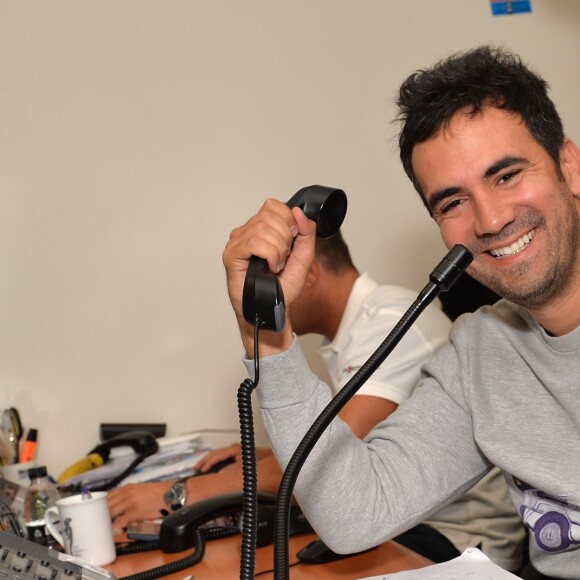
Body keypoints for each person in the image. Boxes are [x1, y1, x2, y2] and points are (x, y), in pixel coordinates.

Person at [221, 45, 580, 580]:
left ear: (569, 166)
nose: (489, 218)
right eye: (453, 202)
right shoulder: (482, 349)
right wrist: (267, 335)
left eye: (506, 175)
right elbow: (355, 512)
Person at [108, 231, 524, 569]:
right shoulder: (354, 330)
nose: (264, 298)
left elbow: (325, 465)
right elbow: (337, 442)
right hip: (401, 520)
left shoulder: (390, 322)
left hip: (455, 539)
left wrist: (178, 493)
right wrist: (264, 457)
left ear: (307, 273)